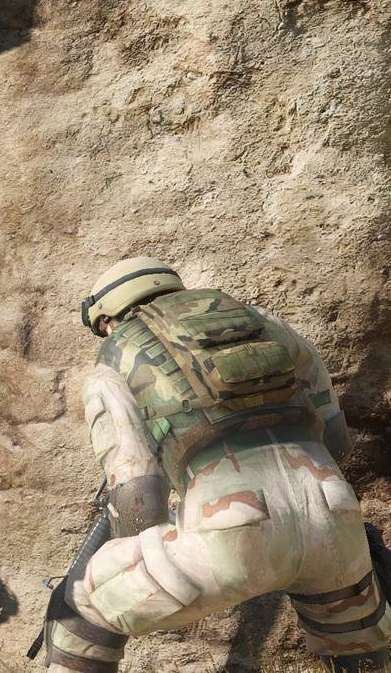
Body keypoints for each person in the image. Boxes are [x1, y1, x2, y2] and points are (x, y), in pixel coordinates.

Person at [43, 256, 391, 672]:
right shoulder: (261, 321)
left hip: (231, 526)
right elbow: (336, 438)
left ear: (106, 320)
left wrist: (140, 556)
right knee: (357, 646)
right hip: (333, 510)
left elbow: (138, 495)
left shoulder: (114, 359)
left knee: (79, 614)